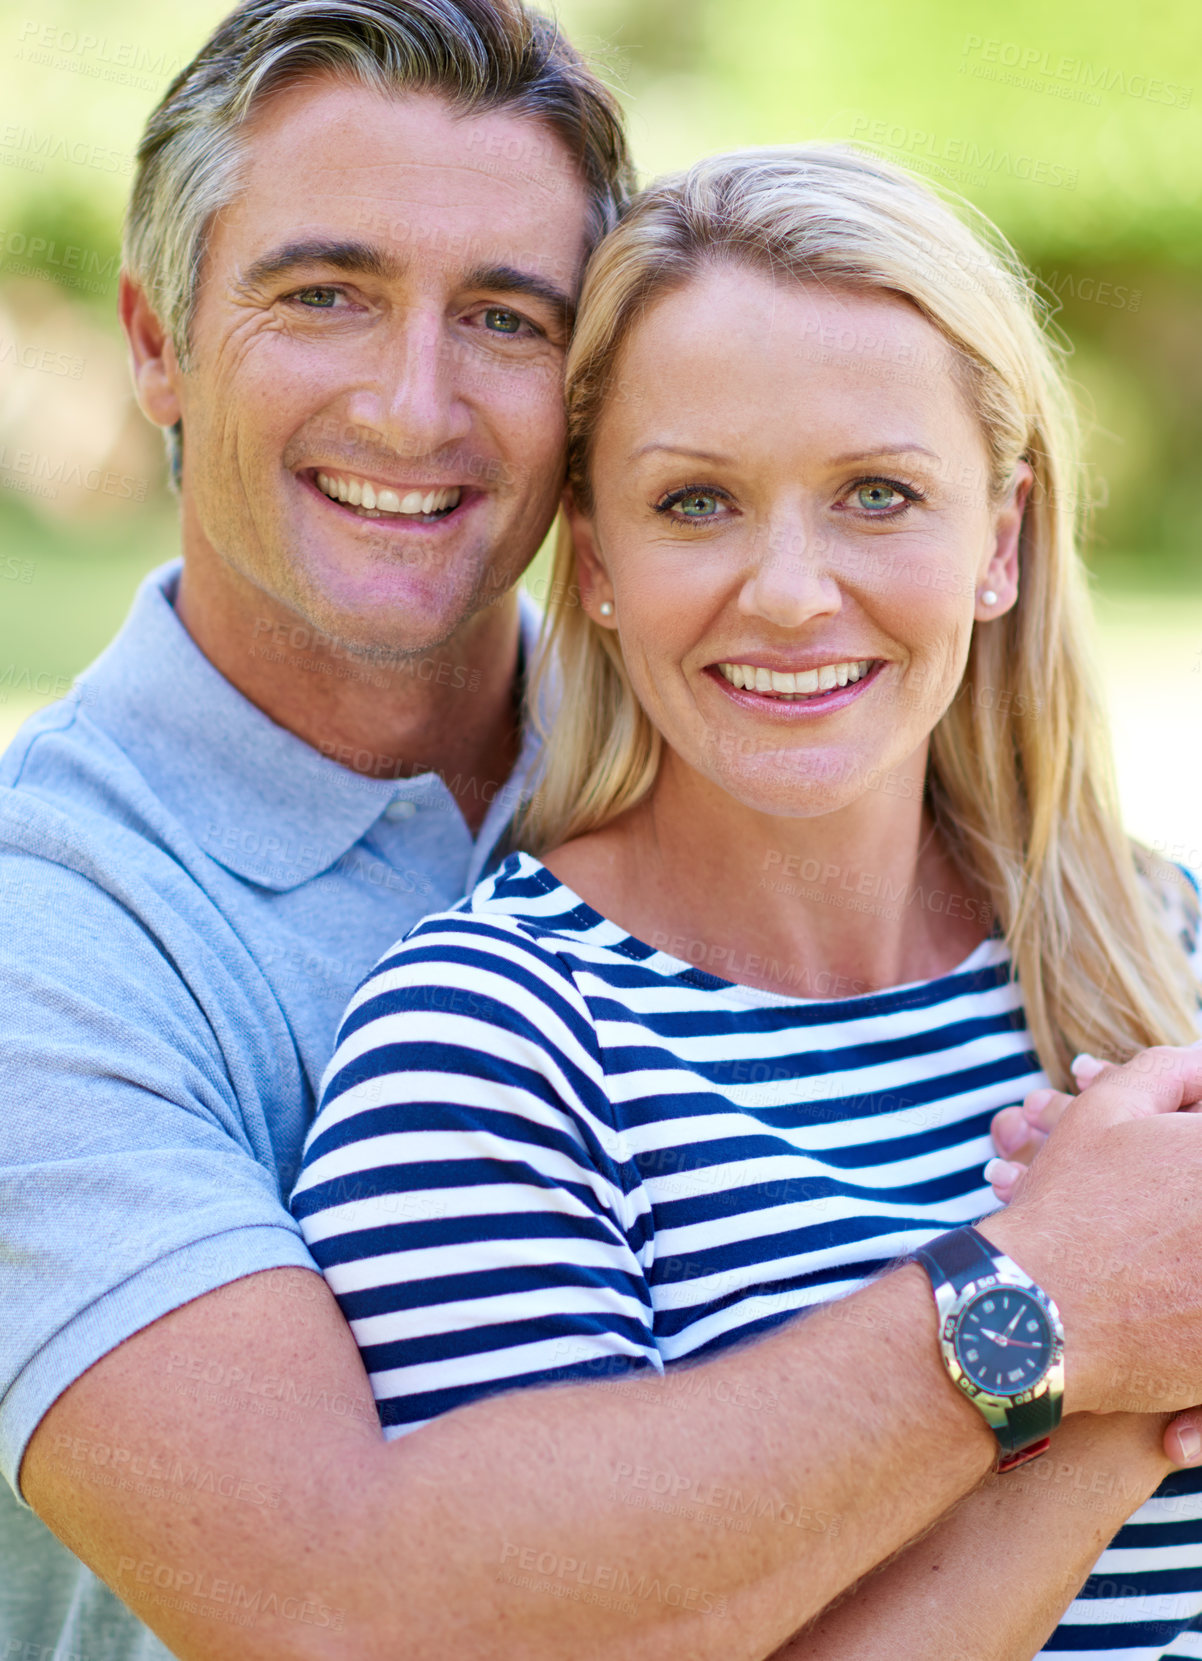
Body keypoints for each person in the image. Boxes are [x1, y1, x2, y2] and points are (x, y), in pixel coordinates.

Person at [1, 3, 1200, 1658]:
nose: (414, 405)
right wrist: (1063, 1317)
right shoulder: (51, 942)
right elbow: (331, 1611)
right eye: (323, 294)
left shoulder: (824, 777)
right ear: (155, 341)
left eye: (504, 317)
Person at [291, 145, 1202, 1660]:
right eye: (698, 500)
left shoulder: (1160, 947)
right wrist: (1103, 1375)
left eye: (876, 494)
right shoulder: (483, 1050)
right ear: (593, 561)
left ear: (999, 539)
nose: (787, 590)